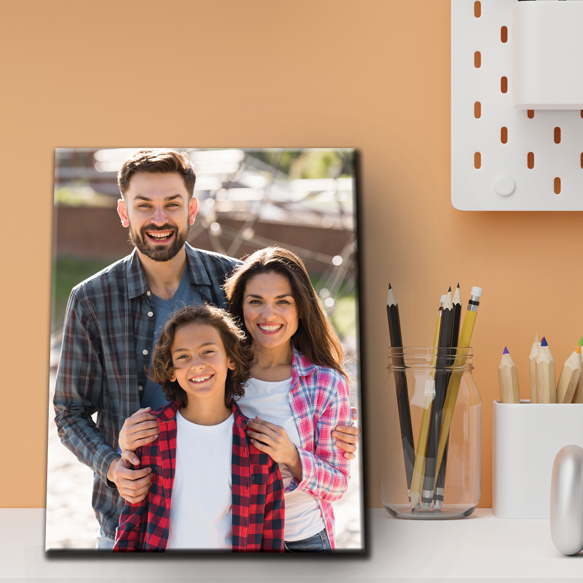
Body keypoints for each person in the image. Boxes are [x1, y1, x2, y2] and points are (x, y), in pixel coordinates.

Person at [53, 148, 358, 549]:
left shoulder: (231, 281)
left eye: (172, 205)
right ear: (124, 212)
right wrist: (111, 466)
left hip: (228, 518)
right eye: (144, 206)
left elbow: (286, 345)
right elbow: (69, 412)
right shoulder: (91, 299)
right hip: (129, 517)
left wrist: (338, 418)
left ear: (192, 209)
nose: (159, 219)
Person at [113, 304, 284, 552]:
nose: (197, 364)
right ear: (171, 372)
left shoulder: (257, 445)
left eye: (208, 351)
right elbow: (131, 524)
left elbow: (271, 536)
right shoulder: (151, 437)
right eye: (183, 356)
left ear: (231, 360)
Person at [224, 247, 351, 551]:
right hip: (237, 538)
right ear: (240, 307)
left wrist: (292, 456)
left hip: (304, 539)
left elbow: (338, 484)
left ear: (301, 308)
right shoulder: (221, 374)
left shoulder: (325, 383)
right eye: (256, 302)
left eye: (283, 302)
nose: (268, 315)